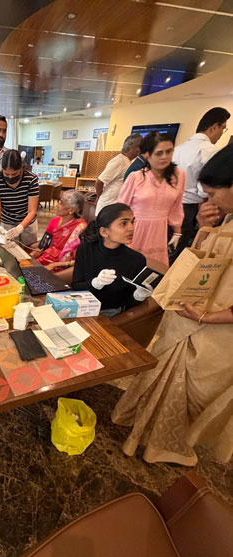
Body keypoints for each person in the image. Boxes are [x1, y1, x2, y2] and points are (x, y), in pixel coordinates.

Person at [112, 144, 233, 466]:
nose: (209, 200)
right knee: (162, 374)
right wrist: (205, 230)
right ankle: (146, 435)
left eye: (213, 193)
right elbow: (208, 259)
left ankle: (168, 445)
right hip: (190, 312)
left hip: (216, 329)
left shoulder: (175, 178)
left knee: (192, 390)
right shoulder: (226, 218)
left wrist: (207, 317)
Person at [117, 132, 185, 265]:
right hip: (135, 229)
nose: (164, 157)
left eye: (169, 151)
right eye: (159, 153)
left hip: (160, 230)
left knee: (155, 269)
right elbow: (121, 208)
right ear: (148, 155)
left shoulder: (179, 176)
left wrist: (177, 233)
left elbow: (176, 206)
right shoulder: (136, 177)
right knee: (130, 267)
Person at [72, 203, 150, 316]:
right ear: (104, 232)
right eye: (123, 223)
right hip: (82, 305)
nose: (131, 228)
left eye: (132, 222)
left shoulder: (137, 260)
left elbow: (127, 305)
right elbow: (76, 286)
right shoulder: (86, 249)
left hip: (111, 314)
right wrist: (95, 283)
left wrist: (138, 297)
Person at [172, 106, 230, 254]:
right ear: (215, 127)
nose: (221, 134)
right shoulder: (210, 151)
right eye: (223, 129)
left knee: (171, 247)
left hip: (172, 204)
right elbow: (205, 189)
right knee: (183, 248)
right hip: (191, 208)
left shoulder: (178, 149)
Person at [0, 149, 39, 246]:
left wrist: (20, 228)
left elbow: (32, 211)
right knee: (9, 251)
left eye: (14, 174)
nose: (10, 177)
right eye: (6, 174)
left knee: (28, 251)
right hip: (7, 224)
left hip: (28, 224)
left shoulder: (31, 180)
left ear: (21, 168)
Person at [30, 190, 87, 272]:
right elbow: (43, 245)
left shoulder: (81, 228)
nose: (57, 205)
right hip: (46, 259)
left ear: (72, 209)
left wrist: (55, 265)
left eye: (62, 203)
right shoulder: (54, 221)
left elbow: (80, 259)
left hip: (63, 267)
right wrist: (31, 256)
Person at [94, 134, 142, 216]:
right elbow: (99, 181)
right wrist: (99, 196)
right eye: (138, 147)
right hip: (107, 207)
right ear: (129, 148)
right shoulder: (119, 161)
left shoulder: (127, 161)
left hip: (115, 207)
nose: (139, 151)